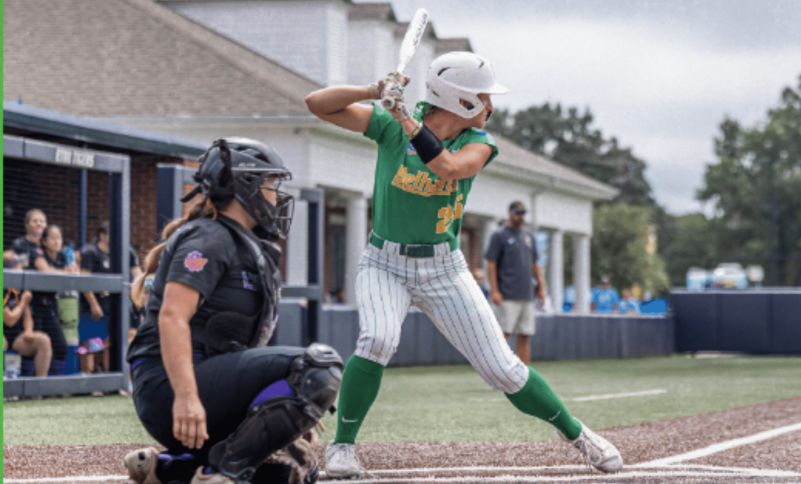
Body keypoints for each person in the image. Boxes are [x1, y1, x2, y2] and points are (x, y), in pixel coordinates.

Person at [305, 51, 622, 478]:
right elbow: (316, 104)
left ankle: (578, 434)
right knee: (376, 340)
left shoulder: (479, 142)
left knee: (504, 369)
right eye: (483, 96)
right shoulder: (391, 124)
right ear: (461, 100)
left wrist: (404, 118)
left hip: (444, 269)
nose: (490, 105)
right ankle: (342, 448)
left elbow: (449, 168)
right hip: (385, 263)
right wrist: (375, 92)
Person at [122, 138, 342, 484]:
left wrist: (292, 410)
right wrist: (186, 398)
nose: (276, 194)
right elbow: (172, 317)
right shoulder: (208, 237)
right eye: (271, 183)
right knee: (320, 365)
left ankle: (168, 469)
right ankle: (226, 473)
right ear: (247, 185)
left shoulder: (245, 245)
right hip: (170, 389)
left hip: (202, 386)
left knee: (293, 473)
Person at [485, 201, 546, 365]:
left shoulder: (528, 237)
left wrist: (541, 287)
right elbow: (491, 263)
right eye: (518, 213)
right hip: (507, 294)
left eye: (523, 213)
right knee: (503, 334)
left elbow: (535, 264)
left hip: (526, 294)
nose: (521, 216)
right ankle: (500, 372)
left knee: (525, 335)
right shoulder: (499, 235)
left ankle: (524, 376)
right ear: (510, 213)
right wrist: (494, 290)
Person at [78, 221, 142, 374]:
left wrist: (139, 299)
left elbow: (137, 278)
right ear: (102, 235)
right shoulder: (90, 252)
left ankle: (114, 380)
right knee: (93, 343)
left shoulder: (127, 252)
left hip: (119, 305)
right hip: (96, 306)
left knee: (114, 343)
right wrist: (94, 305)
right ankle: (89, 381)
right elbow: (84, 280)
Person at [28, 225, 76, 375]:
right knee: (34, 347)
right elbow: (44, 270)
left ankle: (53, 385)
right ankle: (33, 387)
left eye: (59, 238)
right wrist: (64, 272)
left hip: (51, 306)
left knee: (61, 347)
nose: (57, 242)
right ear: (44, 241)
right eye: (53, 238)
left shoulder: (63, 255)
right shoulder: (37, 252)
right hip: (34, 306)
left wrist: (70, 268)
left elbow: (74, 272)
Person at [4, 288, 53, 377]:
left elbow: (27, 316)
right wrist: (23, 301)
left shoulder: (19, 290)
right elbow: (9, 320)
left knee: (44, 340)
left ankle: (40, 386)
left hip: (17, 337)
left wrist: (28, 330)